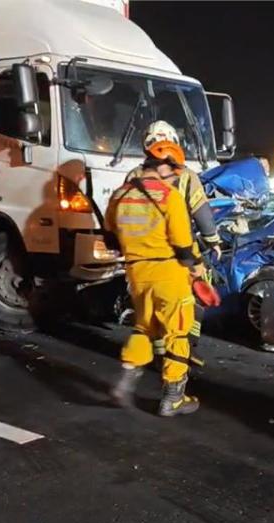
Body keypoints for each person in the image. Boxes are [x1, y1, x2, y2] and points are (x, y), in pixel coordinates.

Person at [106, 141, 203, 416]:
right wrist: (196, 269)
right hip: (168, 274)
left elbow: (110, 238)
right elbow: (183, 245)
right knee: (178, 333)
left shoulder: (120, 195)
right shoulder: (169, 196)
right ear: (163, 166)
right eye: (174, 173)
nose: (175, 178)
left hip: (136, 274)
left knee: (143, 328)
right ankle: (173, 398)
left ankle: (124, 383)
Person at [127, 121, 221, 348]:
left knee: (152, 303)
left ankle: (159, 350)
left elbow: (124, 215)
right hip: (180, 251)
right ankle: (185, 346)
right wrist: (213, 241)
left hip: (143, 255)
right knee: (195, 292)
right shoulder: (186, 176)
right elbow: (202, 213)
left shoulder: (134, 176)